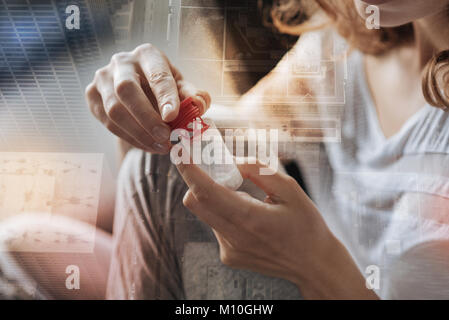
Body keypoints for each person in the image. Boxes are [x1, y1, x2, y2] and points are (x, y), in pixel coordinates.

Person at [85, 0, 449, 299]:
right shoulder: (341, 47)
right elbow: (222, 143)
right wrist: (148, 114)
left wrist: (315, 263)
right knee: (30, 241)